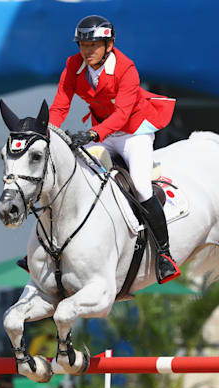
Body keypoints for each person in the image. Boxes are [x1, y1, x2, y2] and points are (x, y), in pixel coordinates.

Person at [47, 15, 180, 284]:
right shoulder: (73, 65)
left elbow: (122, 114)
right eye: (83, 45)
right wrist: (47, 133)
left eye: (93, 46)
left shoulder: (126, 68)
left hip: (133, 132)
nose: (86, 51)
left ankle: (165, 255)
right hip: (102, 132)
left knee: (142, 187)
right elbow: (61, 104)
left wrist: (93, 134)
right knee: (75, 178)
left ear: (109, 45)